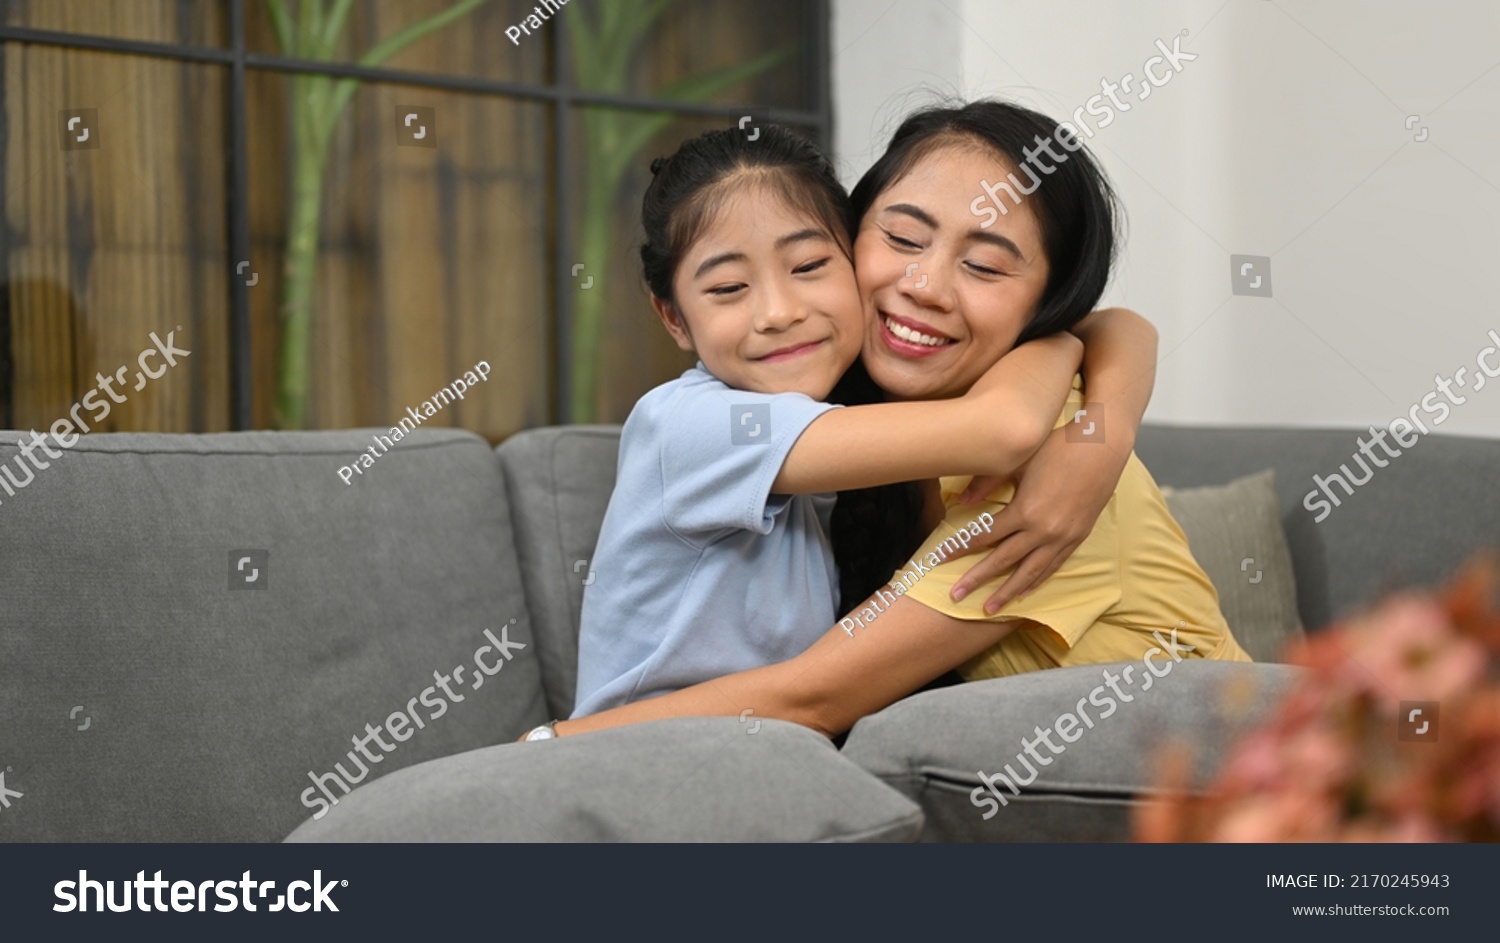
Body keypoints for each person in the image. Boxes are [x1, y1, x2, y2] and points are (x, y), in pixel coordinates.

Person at [527, 100, 1252, 744]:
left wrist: (1098, 418)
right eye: (903, 241)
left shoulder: (1048, 468)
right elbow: (1074, 359)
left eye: (987, 267)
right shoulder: (795, 413)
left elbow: (817, 695)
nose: (924, 286)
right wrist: (1086, 371)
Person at [567, 123, 1087, 720]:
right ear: (674, 319)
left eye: (810, 265)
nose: (779, 313)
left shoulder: (831, 419)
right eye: (729, 287)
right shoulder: (691, 424)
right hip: (640, 769)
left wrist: (1109, 373)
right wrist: (1067, 344)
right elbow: (1004, 431)